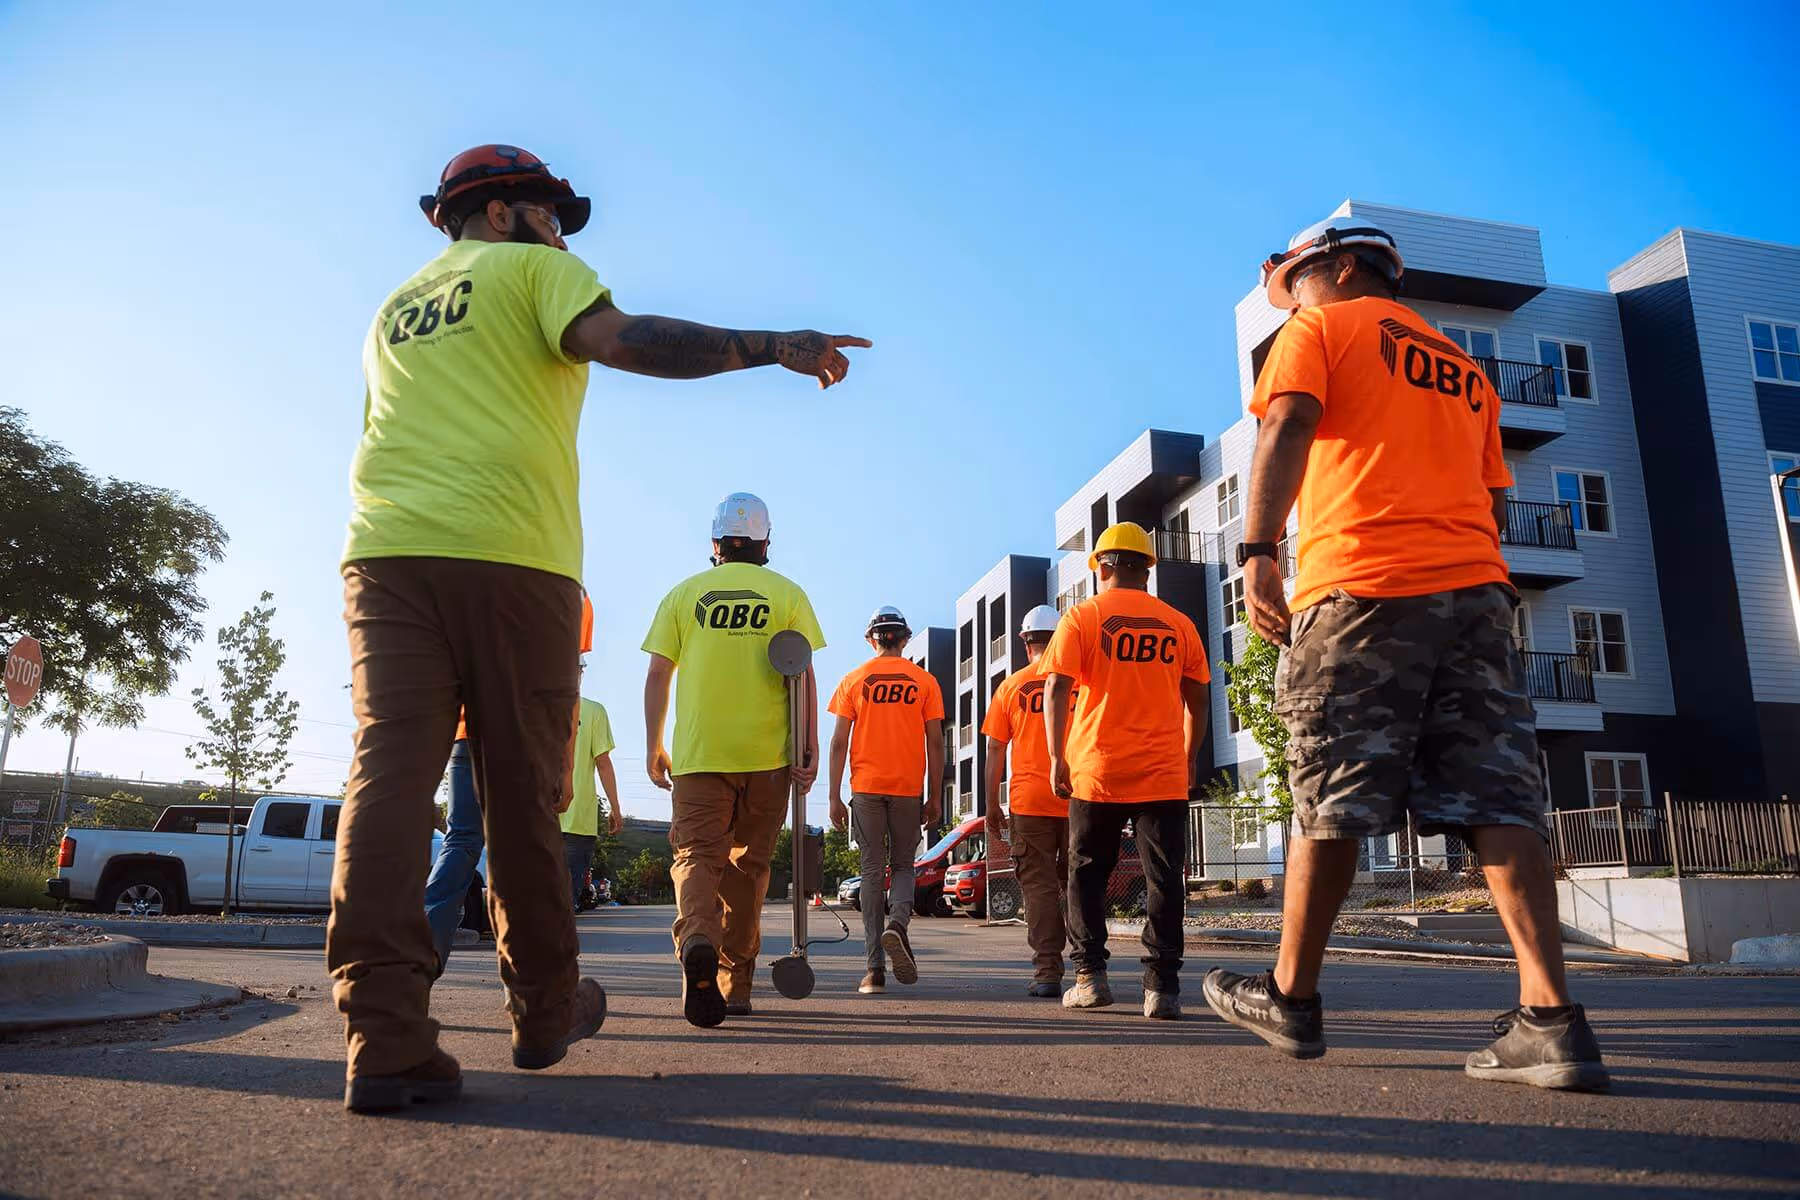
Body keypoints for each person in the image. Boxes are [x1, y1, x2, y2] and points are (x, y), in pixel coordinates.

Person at [334, 144, 869, 1113]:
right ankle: (541, 1009)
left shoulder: (393, 310)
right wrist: (768, 345)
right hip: (511, 556)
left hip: (383, 555)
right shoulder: (533, 267)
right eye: (548, 212)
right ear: (498, 212)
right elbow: (629, 340)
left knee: (387, 780)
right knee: (522, 791)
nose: (561, 230)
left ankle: (383, 1035)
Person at [1201, 218, 1609, 1092]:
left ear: (1343, 269)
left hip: (1363, 586)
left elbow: (1287, 428)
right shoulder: (1465, 371)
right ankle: (1550, 1022)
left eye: (1299, 281)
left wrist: (1258, 553)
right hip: (1478, 598)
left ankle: (1292, 1000)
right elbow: (1492, 499)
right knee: (1500, 796)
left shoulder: (1319, 330)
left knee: (1332, 790)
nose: (1293, 300)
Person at [644, 493, 825, 1026]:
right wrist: (807, 746)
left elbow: (659, 673)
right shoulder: (788, 593)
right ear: (766, 542)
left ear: (715, 543)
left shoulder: (684, 594)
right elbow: (803, 674)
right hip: (768, 757)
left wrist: (655, 743)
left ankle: (698, 936)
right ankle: (734, 983)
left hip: (701, 756)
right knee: (748, 869)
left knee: (697, 857)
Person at [1042, 523, 1209, 1019]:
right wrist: (1188, 753)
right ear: (1147, 568)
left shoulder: (1084, 616)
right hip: (1163, 772)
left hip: (1099, 769)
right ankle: (1162, 989)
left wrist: (1056, 755)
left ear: (1105, 566)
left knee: (1086, 876)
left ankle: (1091, 978)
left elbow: (1055, 689)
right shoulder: (1179, 623)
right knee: (1164, 879)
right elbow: (1198, 698)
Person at [424, 595, 595, 970]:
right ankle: (533, 983)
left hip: (469, 734)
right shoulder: (570, 596)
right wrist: (565, 767)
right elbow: (569, 689)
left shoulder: (475, 581)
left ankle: (420, 955)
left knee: (462, 841)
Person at [827, 607, 946, 995]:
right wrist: (934, 795)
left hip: (866, 789)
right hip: (908, 789)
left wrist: (833, 795)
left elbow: (839, 741)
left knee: (873, 874)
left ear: (871, 639)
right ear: (905, 638)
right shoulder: (924, 681)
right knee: (905, 867)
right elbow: (935, 742)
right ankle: (898, 923)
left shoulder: (853, 680)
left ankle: (873, 970)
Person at [982, 604, 1072, 997]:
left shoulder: (1009, 687)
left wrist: (990, 804)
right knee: (1081, 883)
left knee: (1038, 888)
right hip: (1078, 795)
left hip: (1029, 801)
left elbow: (995, 751)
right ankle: (1089, 967)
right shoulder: (1079, 682)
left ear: (1024, 642)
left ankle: (1048, 972)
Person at [561, 691, 623, 909]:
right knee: (566, 897)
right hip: (578, 819)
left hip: (539, 815)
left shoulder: (531, 706)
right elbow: (603, 762)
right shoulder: (593, 711)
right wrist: (615, 808)